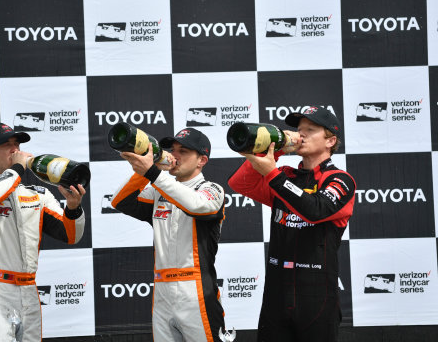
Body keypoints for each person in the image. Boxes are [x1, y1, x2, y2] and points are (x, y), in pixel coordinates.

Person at [228, 106, 356, 342]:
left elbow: (315, 210)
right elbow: (240, 184)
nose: (301, 134)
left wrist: (273, 174)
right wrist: (271, 153)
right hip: (277, 291)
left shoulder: (340, 179)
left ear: (331, 140)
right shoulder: (286, 174)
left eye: (310, 129)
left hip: (316, 294)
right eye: (298, 130)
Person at [0, 123, 86, 342]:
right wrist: (17, 169)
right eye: (7, 145)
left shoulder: (37, 194)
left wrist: (73, 207)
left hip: (28, 289)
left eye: (17, 144)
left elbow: (71, 235)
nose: (15, 150)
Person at [111, 128, 226, 342]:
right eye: (172, 150)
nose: (174, 155)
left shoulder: (212, 189)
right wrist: (145, 170)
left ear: (202, 160)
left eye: (183, 151)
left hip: (196, 290)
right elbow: (119, 201)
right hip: (162, 289)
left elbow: (195, 205)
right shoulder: (159, 191)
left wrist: (154, 175)